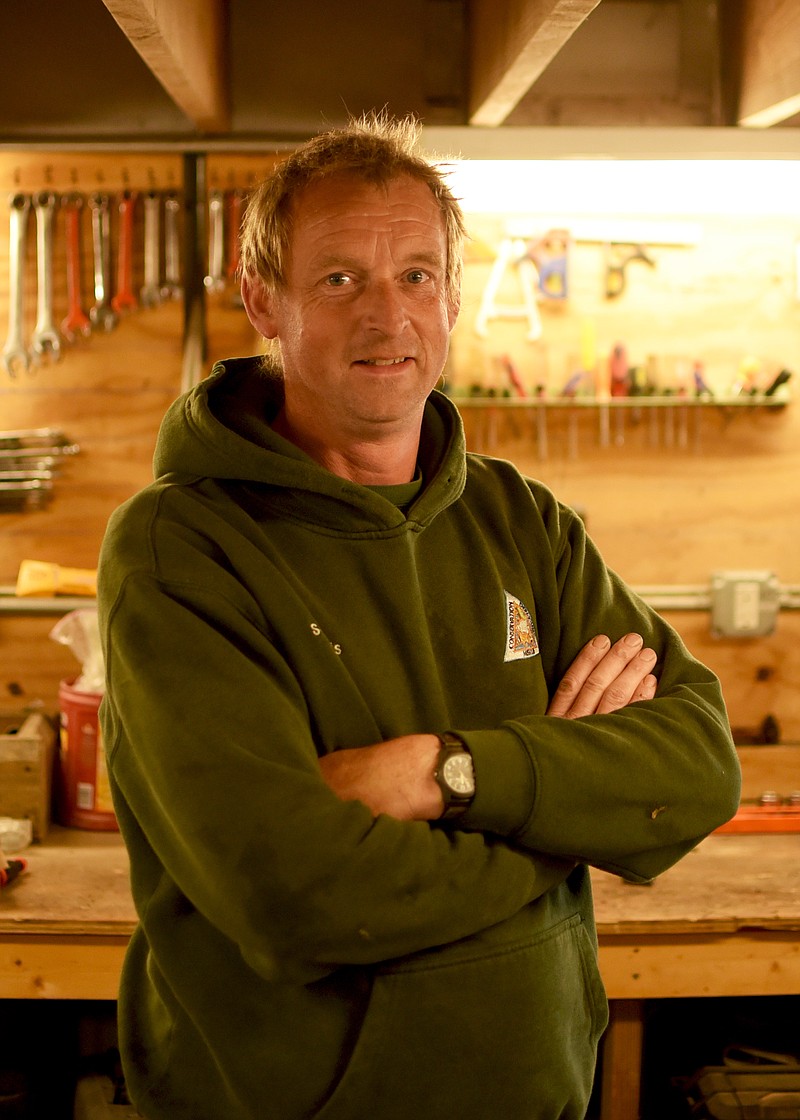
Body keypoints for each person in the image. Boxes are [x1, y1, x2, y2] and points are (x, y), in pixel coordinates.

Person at [97, 113, 740, 1120]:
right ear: (263, 297)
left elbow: (696, 761)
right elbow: (290, 892)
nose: (386, 318)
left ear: (451, 292)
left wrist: (446, 772)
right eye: (341, 277)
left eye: (417, 276)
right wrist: (562, 811)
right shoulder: (180, 548)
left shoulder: (519, 518)